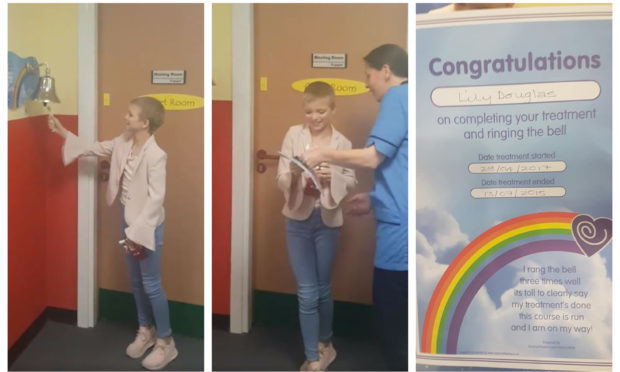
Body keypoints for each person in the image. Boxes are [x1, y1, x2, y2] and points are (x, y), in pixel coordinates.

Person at [48, 97, 177, 370]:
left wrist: (138, 232)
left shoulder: (157, 155)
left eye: (130, 115)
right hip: (126, 220)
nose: (125, 117)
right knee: (135, 279)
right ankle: (146, 330)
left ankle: (166, 342)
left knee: (151, 284)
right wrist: (62, 131)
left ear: (145, 123)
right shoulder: (123, 143)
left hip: (147, 225)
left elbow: (156, 199)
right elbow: (94, 148)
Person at [300, 44, 408, 371]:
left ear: (386, 71)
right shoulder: (410, 99)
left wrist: (323, 155)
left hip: (399, 233)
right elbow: (404, 167)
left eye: (369, 75)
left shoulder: (396, 98)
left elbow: (372, 156)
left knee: (392, 319)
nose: (367, 83)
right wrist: (375, 200)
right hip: (398, 218)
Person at [277, 81, 357, 372]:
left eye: (321, 110)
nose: (315, 117)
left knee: (323, 288)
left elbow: (350, 181)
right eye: (309, 111)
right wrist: (295, 174)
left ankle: (326, 345)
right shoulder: (293, 136)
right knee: (307, 291)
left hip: (328, 222)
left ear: (332, 109)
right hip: (297, 221)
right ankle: (312, 356)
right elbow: (281, 179)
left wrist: (329, 179)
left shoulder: (343, 143)